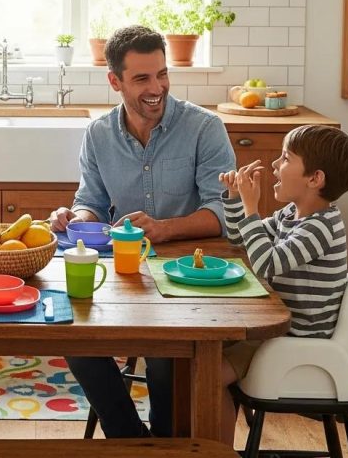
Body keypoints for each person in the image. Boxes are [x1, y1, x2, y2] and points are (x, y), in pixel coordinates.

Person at [51, 25, 236, 437]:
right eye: (142, 79)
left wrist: (165, 229)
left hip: (192, 275)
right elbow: (92, 202)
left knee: (165, 353)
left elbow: (222, 213)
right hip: (127, 273)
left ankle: (167, 440)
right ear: (114, 81)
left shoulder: (205, 129)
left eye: (162, 74)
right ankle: (130, 440)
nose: (157, 88)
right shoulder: (99, 134)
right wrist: (75, 216)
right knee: (74, 338)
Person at [218, 124, 348, 445]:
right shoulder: (292, 215)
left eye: (285, 159)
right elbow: (240, 240)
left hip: (292, 339)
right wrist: (234, 198)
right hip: (277, 329)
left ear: (315, 179)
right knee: (201, 350)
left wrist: (251, 208)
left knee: (206, 377)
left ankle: (212, 449)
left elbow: (266, 265)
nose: (274, 165)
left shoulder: (321, 228)